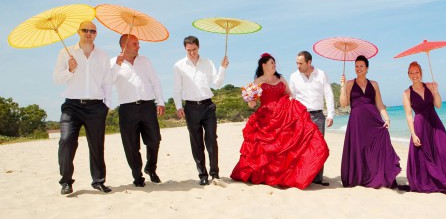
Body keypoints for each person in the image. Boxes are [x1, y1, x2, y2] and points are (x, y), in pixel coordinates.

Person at [230, 53, 329, 190]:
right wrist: (250, 101)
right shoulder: (258, 81)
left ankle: (297, 175)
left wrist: (289, 103)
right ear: (264, 65)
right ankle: (268, 176)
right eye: (272, 63)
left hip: (283, 115)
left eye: (275, 63)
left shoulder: (280, 77)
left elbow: (289, 93)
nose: (275, 65)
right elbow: (252, 104)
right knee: (268, 149)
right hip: (266, 118)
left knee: (288, 146)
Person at [53, 21, 112, 195]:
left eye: (92, 31)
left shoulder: (102, 55)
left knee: (97, 145)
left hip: (96, 106)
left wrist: (106, 104)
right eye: (85, 30)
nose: (88, 33)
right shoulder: (66, 52)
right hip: (71, 106)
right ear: (78, 32)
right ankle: (66, 182)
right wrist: (69, 70)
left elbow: (107, 81)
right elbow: (56, 78)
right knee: (66, 141)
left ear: (96, 34)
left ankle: (98, 181)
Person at [403, 61, 446, 197]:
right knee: (425, 156)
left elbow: (438, 105)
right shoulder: (407, 93)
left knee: (443, 151)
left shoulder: (431, 86)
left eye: (417, 72)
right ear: (408, 75)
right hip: (420, 125)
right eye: (412, 73)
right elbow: (409, 115)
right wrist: (413, 134)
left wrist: (436, 92)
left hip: (435, 123)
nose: (415, 75)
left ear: (421, 73)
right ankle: (434, 182)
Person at [111, 34, 165, 187]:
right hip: (127, 108)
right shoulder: (113, 63)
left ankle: (150, 168)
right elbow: (108, 81)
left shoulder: (145, 61)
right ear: (125, 45)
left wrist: (160, 101)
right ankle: (137, 176)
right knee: (131, 145)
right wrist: (117, 65)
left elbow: (155, 81)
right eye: (135, 44)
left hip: (148, 106)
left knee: (154, 140)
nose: (138, 46)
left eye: (138, 43)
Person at [173, 35, 229, 186]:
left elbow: (217, 83)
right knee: (196, 142)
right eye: (188, 50)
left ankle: (215, 173)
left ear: (199, 47)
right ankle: (202, 174)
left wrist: (223, 67)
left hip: (208, 106)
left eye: (194, 49)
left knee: (211, 139)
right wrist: (179, 106)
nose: (191, 52)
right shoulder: (179, 65)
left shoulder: (208, 63)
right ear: (185, 48)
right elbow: (177, 89)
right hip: (191, 108)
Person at [339, 55, 401, 188]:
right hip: (356, 123)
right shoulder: (349, 83)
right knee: (360, 150)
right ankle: (361, 177)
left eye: (361, 66)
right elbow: (344, 103)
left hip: (373, 121)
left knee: (375, 148)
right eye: (356, 66)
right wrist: (342, 87)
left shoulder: (374, 84)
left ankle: (376, 175)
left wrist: (387, 118)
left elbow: (379, 104)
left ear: (367, 68)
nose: (358, 68)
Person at [289, 50, 334, 186]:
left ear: (309, 62)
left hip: (318, 116)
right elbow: (291, 97)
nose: (298, 66)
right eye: (297, 63)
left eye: (301, 63)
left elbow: (328, 94)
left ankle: (318, 179)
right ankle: (303, 177)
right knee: (301, 148)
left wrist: (331, 114)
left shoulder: (321, 74)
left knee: (318, 148)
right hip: (301, 116)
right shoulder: (294, 77)